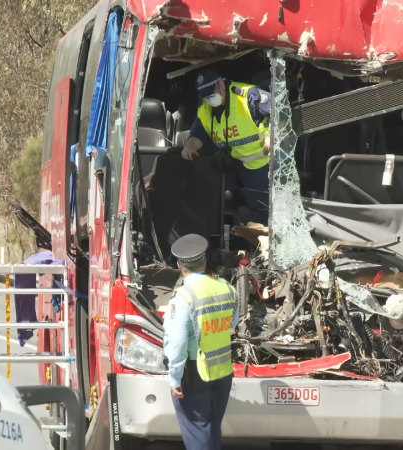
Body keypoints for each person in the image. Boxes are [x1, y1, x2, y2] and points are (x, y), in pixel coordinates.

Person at [163, 234, 238, 450]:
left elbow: (176, 343)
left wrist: (175, 378)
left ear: (179, 265)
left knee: (197, 432)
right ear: (205, 260)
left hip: (195, 374)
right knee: (212, 431)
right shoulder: (226, 287)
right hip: (222, 370)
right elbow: (232, 322)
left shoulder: (184, 297)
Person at [181, 69, 271, 220]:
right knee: (222, 199)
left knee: (263, 208)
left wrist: (273, 136)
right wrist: (189, 146)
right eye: (206, 95)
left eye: (212, 92)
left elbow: (281, 112)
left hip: (262, 162)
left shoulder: (248, 95)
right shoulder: (205, 108)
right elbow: (198, 134)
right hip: (235, 162)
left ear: (221, 83)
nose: (210, 98)